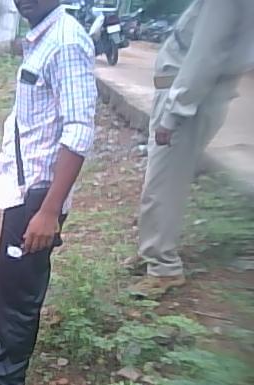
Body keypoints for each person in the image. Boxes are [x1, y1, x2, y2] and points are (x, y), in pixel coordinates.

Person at [0, 0, 96, 385]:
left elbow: (79, 130)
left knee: (20, 290)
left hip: (39, 197)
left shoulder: (66, 42)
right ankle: (5, 345)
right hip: (24, 191)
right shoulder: (42, 38)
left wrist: (49, 211)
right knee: (8, 279)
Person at [130, 0, 254, 299]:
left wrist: (174, 113)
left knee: (163, 186)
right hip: (189, 98)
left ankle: (163, 267)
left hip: (189, 103)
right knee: (163, 182)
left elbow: (205, 55)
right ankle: (154, 251)